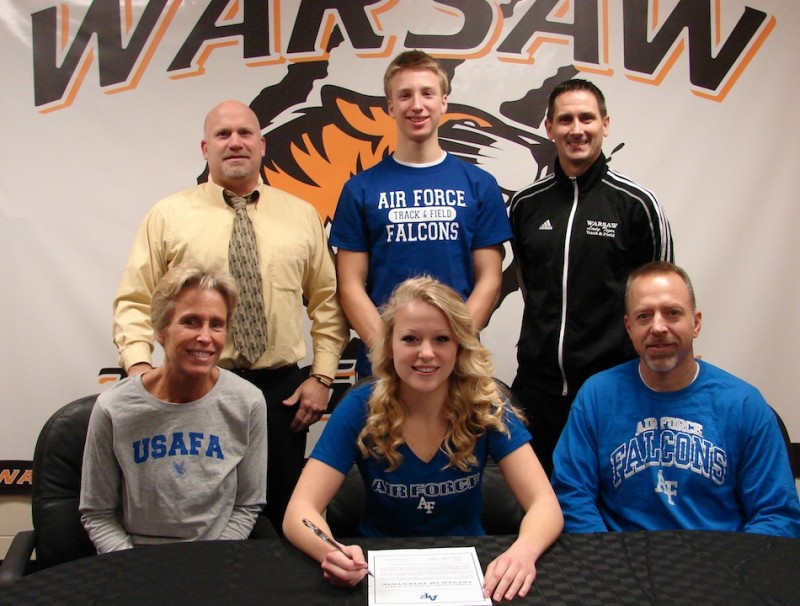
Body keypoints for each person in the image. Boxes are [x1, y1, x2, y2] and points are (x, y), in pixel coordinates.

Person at [112, 100, 349, 533]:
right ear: (206, 148)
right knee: (199, 515)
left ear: (262, 145)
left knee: (281, 517)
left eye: (244, 133)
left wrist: (322, 377)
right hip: (195, 390)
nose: (234, 142)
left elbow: (328, 303)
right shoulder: (168, 216)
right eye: (223, 135)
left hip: (282, 397)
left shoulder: (301, 215)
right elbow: (135, 299)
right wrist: (140, 369)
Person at [283, 276, 563, 602]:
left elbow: (545, 505)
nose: (426, 353)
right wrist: (333, 553)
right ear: (390, 345)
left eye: (441, 339)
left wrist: (523, 551)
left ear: (459, 346)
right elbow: (299, 512)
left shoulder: (486, 404)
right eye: (411, 339)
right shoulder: (359, 407)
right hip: (377, 575)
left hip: (472, 573)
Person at [551, 262, 800, 537]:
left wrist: (734, 573)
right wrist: (606, 560)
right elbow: (571, 495)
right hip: (621, 563)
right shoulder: (597, 397)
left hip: (720, 566)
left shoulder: (744, 405)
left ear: (695, 323)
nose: (658, 327)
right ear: (629, 326)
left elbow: (776, 514)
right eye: (644, 316)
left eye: (672, 313)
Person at [509, 78, 673, 476]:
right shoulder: (524, 205)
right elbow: (532, 288)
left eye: (587, 118)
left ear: (605, 123)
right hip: (537, 389)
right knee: (538, 504)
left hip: (614, 388)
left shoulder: (638, 205)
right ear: (549, 128)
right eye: (565, 119)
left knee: (608, 506)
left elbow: (660, 303)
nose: (576, 129)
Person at [330, 50, 512, 377]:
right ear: (390, 106)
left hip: (459, 363)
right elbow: (350, 285)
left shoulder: (479, 185)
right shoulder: (360, 189)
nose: (416, 104)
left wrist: (450, 346)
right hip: (382, 366)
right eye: (404, 95)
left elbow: (490, 280)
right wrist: (390, 351)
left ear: (443, 101)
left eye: (427, 93)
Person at [81, 262, 267, 552]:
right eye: (191, 321)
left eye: (216, 324)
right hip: (135, 561)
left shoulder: (248, 402)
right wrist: (132, 568)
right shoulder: (114, 408)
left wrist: (209, 564)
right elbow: (98, 513)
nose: (205, 337)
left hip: (214, 559)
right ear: (160, 329)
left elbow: (247, 505)